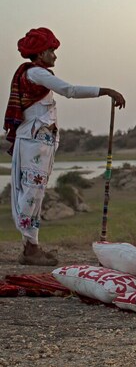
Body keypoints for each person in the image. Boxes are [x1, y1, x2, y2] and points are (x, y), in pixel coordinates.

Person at [4, 28, 126, 265]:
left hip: (38, 143)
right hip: (33, 143)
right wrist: (106, 91)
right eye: (51, 50)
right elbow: (68, 90)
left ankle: (32, 246)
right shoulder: (37, 73)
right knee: (31, 193)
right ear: (40, 53)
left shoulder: (36, 74)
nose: (55, 56)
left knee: (35, 193)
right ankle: (30, 249)